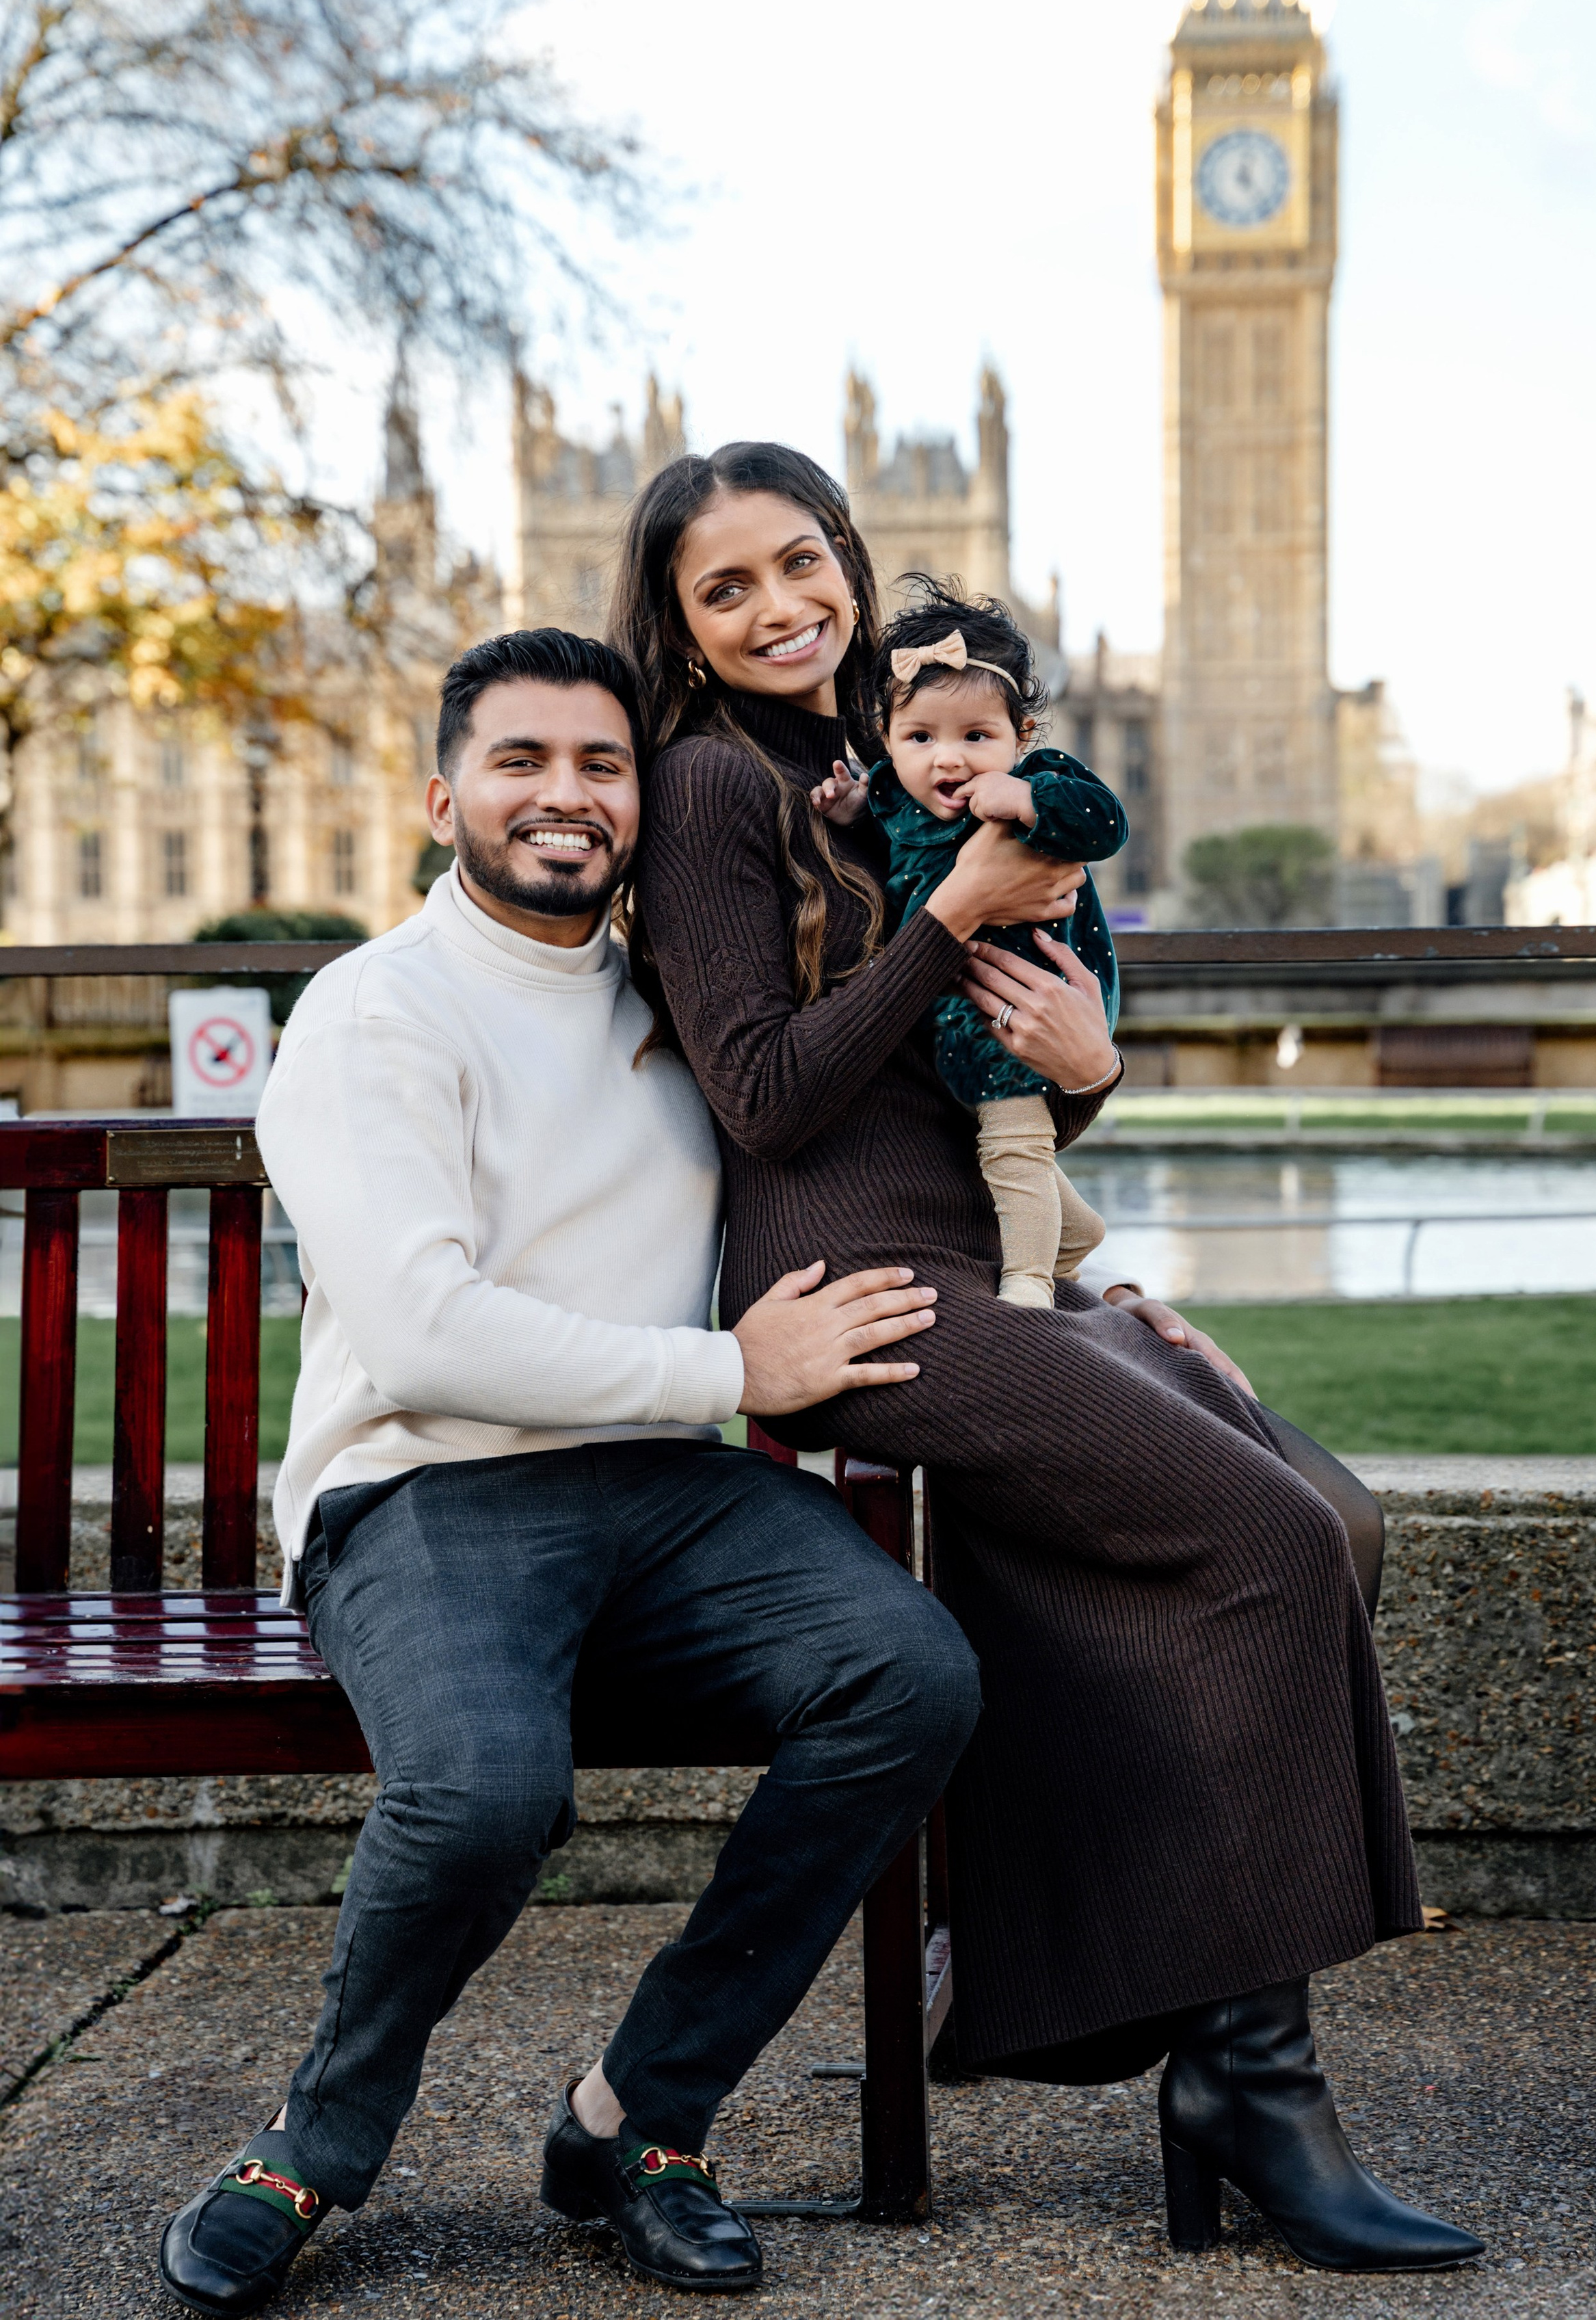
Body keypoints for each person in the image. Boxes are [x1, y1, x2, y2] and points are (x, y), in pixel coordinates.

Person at [613, 443, 1485, 2276]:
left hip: (984, 1269)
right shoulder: (708, 785)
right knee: (1255, 1543)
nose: (784, 608)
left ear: (852, 565)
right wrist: (948, 919)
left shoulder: (880, 763)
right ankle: (1252, 2087)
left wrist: (1084, 1069)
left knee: (1326, 1506)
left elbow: (971, 1083)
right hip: (862, 1297)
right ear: (680, 626)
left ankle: (1143, 1995)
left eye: (806, 563)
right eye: (731, 589)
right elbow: (770, 1096)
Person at [158, 627, 982, 2316]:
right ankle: (316, 2138)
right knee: (481, 1788)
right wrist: (729, 1373)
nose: (564, 794)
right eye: (521, 758)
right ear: (444, 787)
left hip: (663, 1490)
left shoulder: (679, 1011)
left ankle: (637, 2117)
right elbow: (429, 1328)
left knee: (910, 1672)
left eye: (600, 764)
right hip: (428, 1485)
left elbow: (903, 1156)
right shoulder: (377, 1006)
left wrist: (1097, 1288)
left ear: (642, 798)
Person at [811, 577, 1121, 1306]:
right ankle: (1073, 1233)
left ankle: (1028, 1285)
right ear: (884, 741)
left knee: (1013, 1144)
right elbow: (888, 865)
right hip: (942, 1021)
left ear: (1023, 737)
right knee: (998, 1146)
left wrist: (1030, 801)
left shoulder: (1042, 780)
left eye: (976, 737)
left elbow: (1106, 824)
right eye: (921, 737)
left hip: (1018, 1018)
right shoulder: (895, 796)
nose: (947, 759)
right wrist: (854, 811)